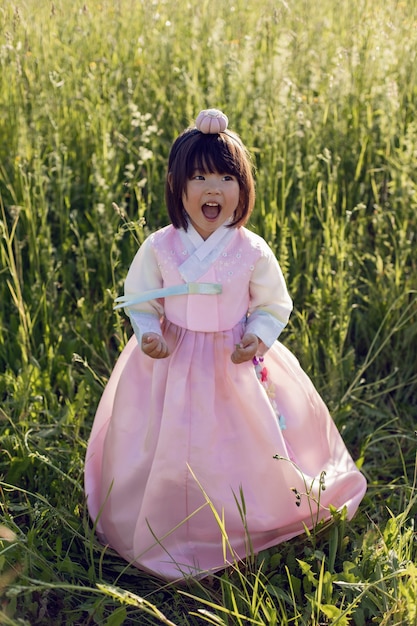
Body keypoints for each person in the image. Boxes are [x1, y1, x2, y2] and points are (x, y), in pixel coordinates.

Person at [84, 108, 367, 582]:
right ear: (178, 186)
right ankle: (162, 511)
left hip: (232, 359)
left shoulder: (251, 250)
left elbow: (273, 303)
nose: (212, 188)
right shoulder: (160, 246)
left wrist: (258, 334)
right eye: (198, 176)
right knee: (163, 437)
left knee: (237, 441)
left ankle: (241, 514)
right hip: (170, 358)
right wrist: (148, 332)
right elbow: (139, 297)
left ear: (243, 187)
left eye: (225, 176)